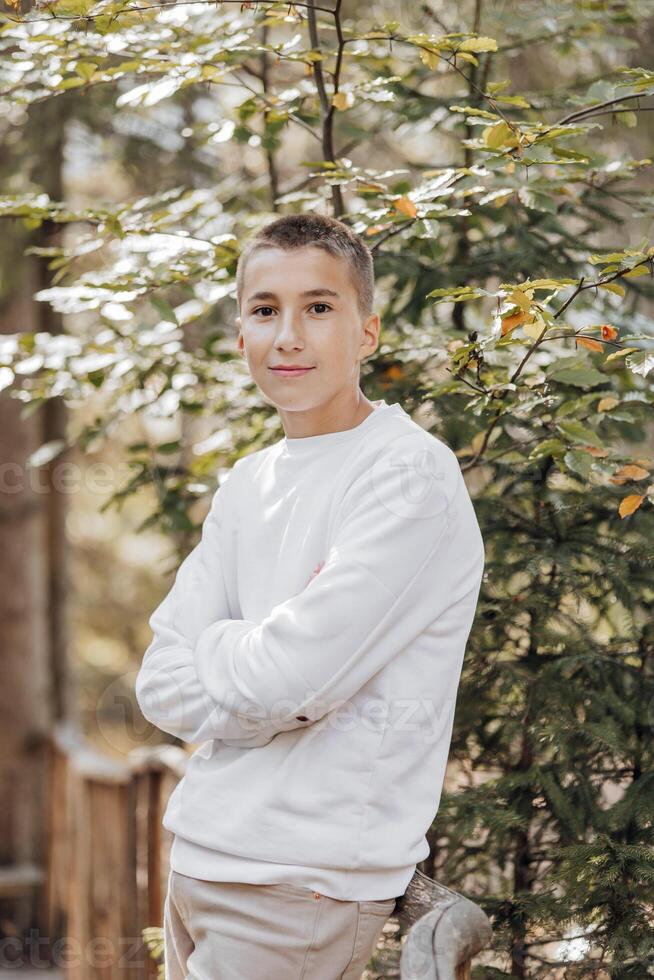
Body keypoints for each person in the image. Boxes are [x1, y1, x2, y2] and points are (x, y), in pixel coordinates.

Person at [135, 213, 485, 979]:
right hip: (198, 859)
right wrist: (258, 661)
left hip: (303, 882)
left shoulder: (406, 477)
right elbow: (161, 682)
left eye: (318, 308)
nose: (288, 335)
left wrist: (222, 647)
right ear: (241, 335)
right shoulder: (250, 481)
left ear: (367, 332)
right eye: (266, 310)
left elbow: (288, 680)